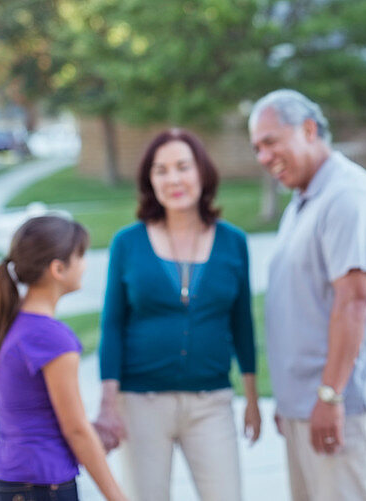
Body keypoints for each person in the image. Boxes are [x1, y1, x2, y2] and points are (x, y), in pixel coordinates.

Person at [248, 89, 366, 501]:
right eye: (257, 148)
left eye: (270, 142)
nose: (263, 157)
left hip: (345, 408)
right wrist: (292, 400)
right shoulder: (304, 199)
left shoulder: (346, 197)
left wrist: (329, 396)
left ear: (309, 129)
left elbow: (353, 301)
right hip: (309, 405)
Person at [95, 128, 260, 501]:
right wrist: (108, 403)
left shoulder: (233, 242)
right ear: (149, 181)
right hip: (140, 405)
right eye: (161, 170)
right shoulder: (127, 242)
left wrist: (251, 398)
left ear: (202, 172)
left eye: (182, 167)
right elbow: (112, 325)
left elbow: (242, 323)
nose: (173, 179)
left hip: (211, 403)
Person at [0, 215, 127, 501]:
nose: (85, 265)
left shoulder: (15, 323)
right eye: (80, 256)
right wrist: (118, 497)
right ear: (58, 268)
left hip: (10, 477)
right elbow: (75, 430)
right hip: (42, 483)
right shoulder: (51, 338)